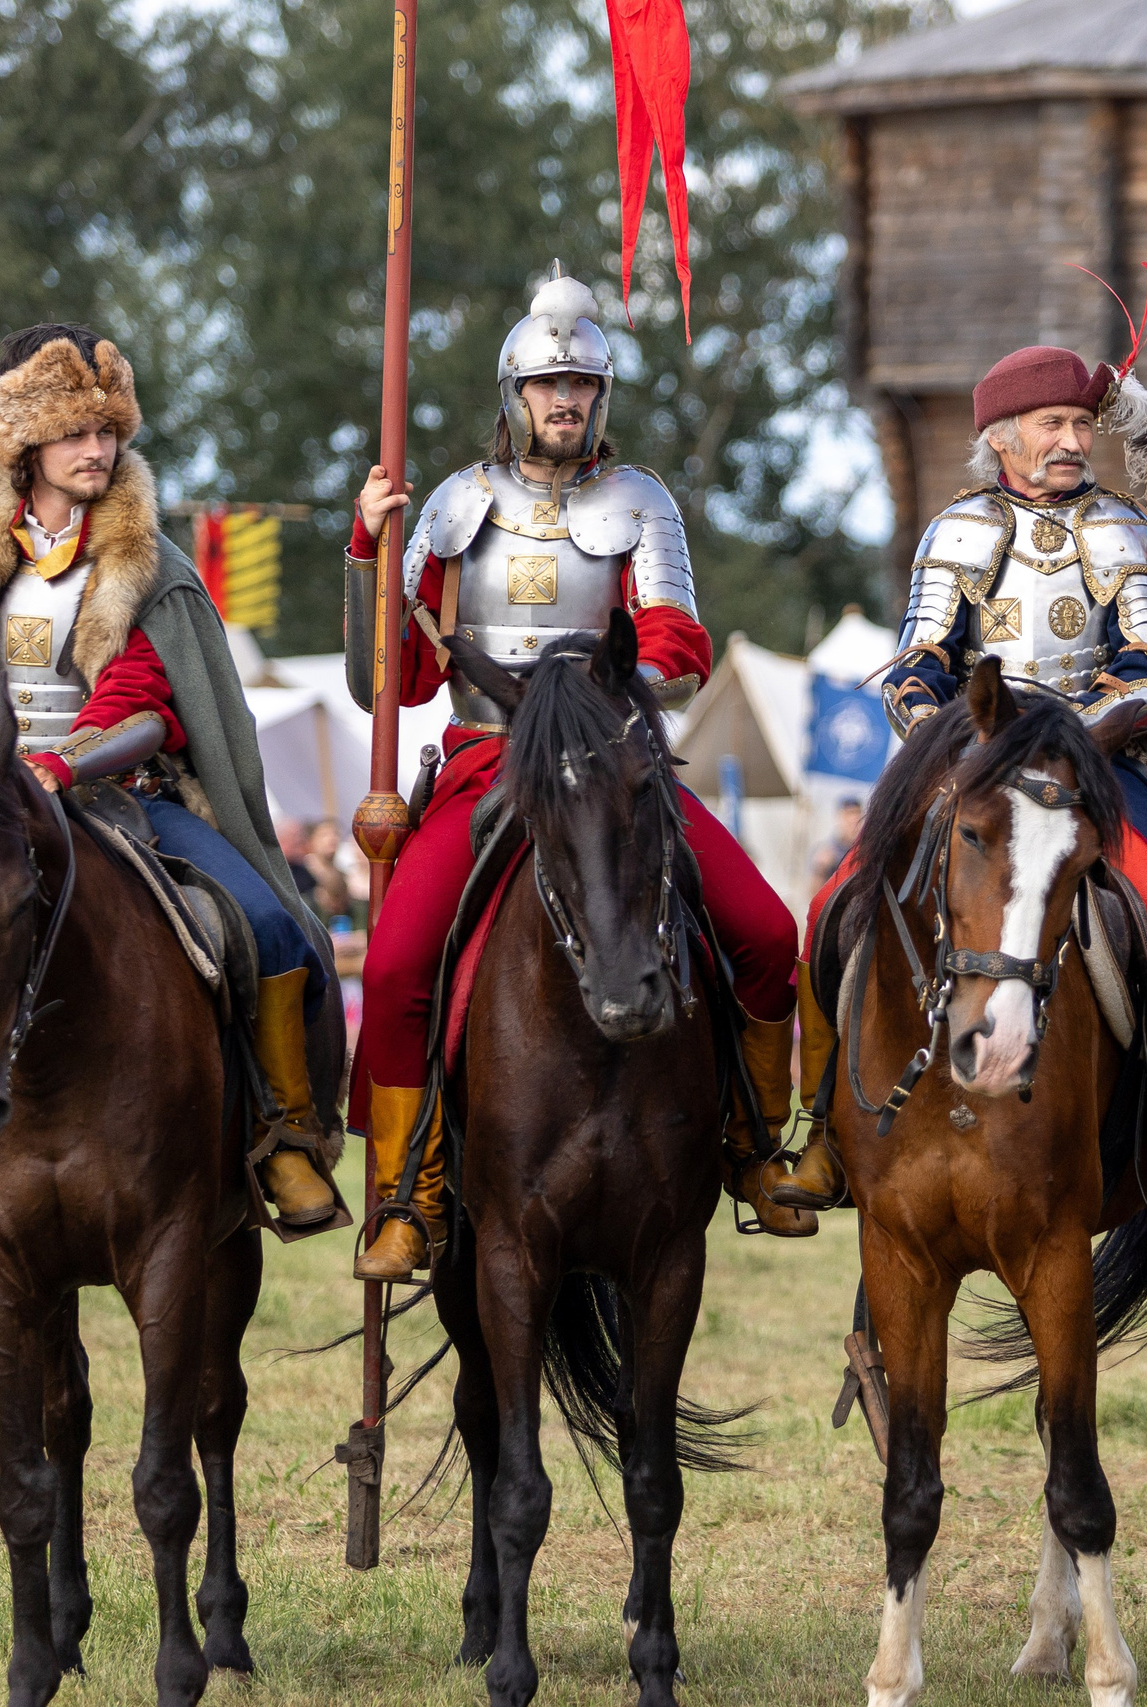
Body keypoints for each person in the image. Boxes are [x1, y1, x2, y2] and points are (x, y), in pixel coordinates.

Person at [0, 322, 341, 1265]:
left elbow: (144, 694)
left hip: (122, 798)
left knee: (268, 924)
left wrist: (63, 765)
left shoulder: (148, 561)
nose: (98, 450)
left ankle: (284, 1134)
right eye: (75, 432)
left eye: (108, 431)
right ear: (27, 443)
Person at [341, 272, 806, 1282]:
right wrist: (368, 551)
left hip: (610, 758)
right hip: (486, 764)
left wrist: (598, 690)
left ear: (601, 397)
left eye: (583, 384)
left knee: (768, 932)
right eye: (549, 384)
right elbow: (391, 678)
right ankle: (411, 1192)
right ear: (515, 395)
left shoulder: (640, 502)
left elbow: (677, 643)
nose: (566, 399)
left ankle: (754, 1144)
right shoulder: (456, 505)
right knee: (393, 968)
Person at [835, 320, 1147, 1265]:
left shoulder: (1122, 527)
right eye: (1052, 424)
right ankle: (819, 1127)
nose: (1072, 441)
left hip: (1098, 774)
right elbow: (916, 666)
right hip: (971, 772)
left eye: (1081, 425)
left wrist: (1065, 741)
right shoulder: (959, 530)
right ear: (1002, 436)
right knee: (840, 904)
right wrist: (952, 744)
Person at [809, 797, 865, 884]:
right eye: (848, 814)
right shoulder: (824, 850)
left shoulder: (866, 850)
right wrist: (820, 869)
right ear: (839, 817)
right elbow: (813, 890)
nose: (853, 819)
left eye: (857, 814)